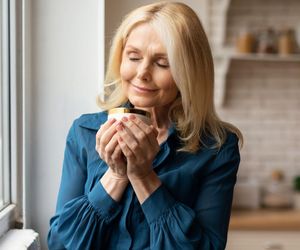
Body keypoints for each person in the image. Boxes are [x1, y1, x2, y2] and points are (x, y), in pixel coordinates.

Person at [47, 2, 243, 249]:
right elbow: (60, 244)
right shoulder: (84, 133)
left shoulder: (217, 148)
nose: (142, 73)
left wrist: (143, 176)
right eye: (133, 57)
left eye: (162, 63)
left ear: (189, 73)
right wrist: (117, 175)